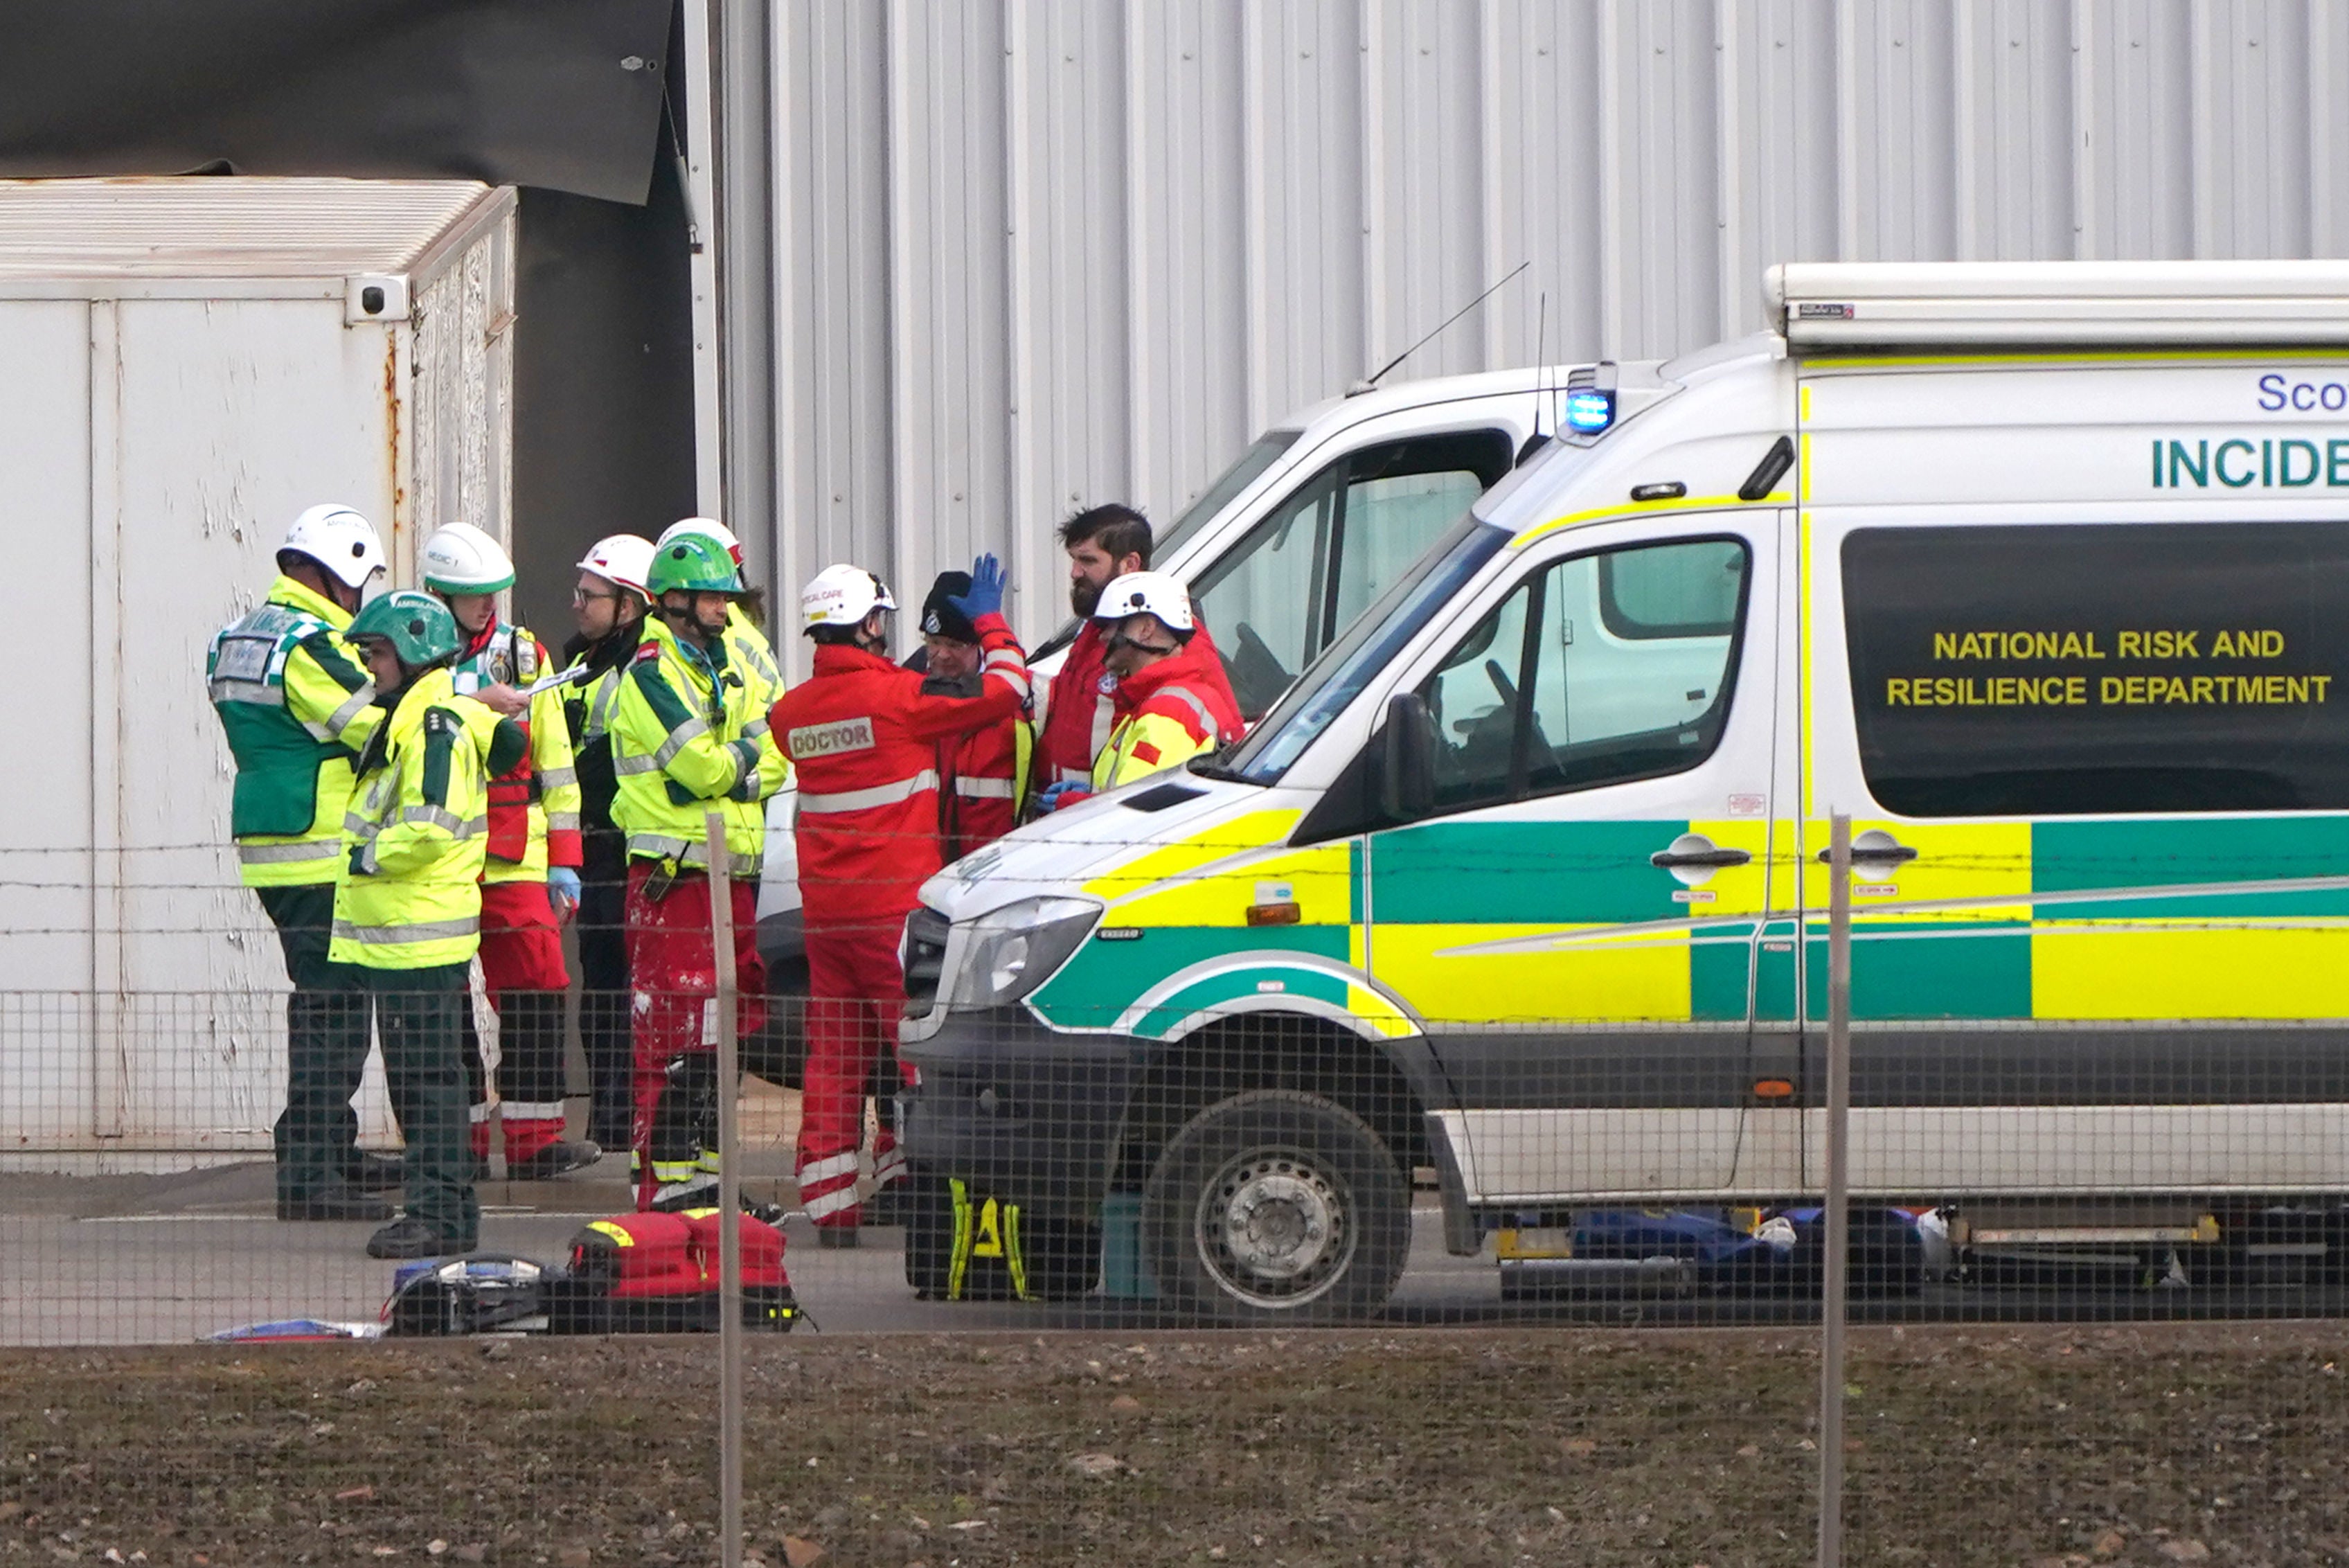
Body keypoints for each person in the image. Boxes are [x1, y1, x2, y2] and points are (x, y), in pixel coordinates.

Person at [769, 556, 1030, 1245]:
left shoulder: (790, 715)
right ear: (868, 625)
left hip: (825, 916)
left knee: (832, 1059)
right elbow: (1006, 690)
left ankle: (829, 1207)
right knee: (919, 1052)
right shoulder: (899, 697)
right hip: (894, 914)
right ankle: (927, 1192)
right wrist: (991, 624)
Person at [204, 502, 403, 1222]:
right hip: (322, 847)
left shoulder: (236, 636)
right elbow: (371, 728)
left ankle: (320, 1146)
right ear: (336, 571)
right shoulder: (311, 643)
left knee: (322, 1001)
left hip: (271, 837)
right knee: (335, 1012)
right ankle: (311, 1176)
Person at [336, 591, 526, 1258]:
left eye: (379, 652)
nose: (370, 666)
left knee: (427, 1085)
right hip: (410, 935)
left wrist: (363, 854)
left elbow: (430, 826)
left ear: (413, 653)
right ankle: (440, 1210)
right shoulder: (421, 715)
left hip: (418, 934)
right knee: (426, 1081)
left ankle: (438, 1215)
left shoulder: (432, 724)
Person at [608, 534, 786, 1212]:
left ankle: (709, 1188)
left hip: (727, 877)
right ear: (675, 601)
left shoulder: (721, 664)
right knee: (672, 1035)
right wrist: (740, 761)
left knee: (721, 1037)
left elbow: (771, 756)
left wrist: (734, 761)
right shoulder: (651, 672)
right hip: (674, 880)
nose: (724, 608)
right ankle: (662, 1189)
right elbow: (702, 770)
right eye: (712, 597)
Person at [418, 522, 600, 1179]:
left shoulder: (527, 655)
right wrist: (472, 700)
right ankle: (456, 1147)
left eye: (496, 593)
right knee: (441, 1002)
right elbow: (394, 715)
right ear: (438, 594)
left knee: (539, 989)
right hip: (435, 856)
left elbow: (556, 766)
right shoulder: (409, 649)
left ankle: (534, 1142)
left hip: (516, 855)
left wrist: (566, 863)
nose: (488, 606)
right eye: (474, 596)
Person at [1032, 503, 1237, 804]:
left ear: (1129, 563)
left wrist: (1078, 803)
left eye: (1088, 561)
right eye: (1074, 560)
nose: (1076, 573)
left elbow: (1218, 729)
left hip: (1106, 819)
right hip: (1081, 814)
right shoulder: (1093, 633)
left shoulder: (1174, 640)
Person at [559, 533, 658, 1152]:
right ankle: (610, 1119)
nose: (576, 604)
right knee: (601, 990)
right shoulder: (581, 664)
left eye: (588, 595)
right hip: (591, 851)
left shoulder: (638, 671)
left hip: (626, 850)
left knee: (625, 990)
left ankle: (625, 1122)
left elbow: (601, 763)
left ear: (629, 604)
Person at [1072, 570, 1244, 799]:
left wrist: (1069, 806)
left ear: (1146, 629)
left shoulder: (1168, 711)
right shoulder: (1178, 696)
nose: (1102, 636)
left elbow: (1134, 811)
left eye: (1110, 625)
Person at [920, 570, 1035, 861]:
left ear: (981, 645)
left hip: (1003, 869)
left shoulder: (1028, 700)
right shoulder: (912, 695)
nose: (942, 655)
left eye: (955, 645)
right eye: (934, 641)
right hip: (931, 871)